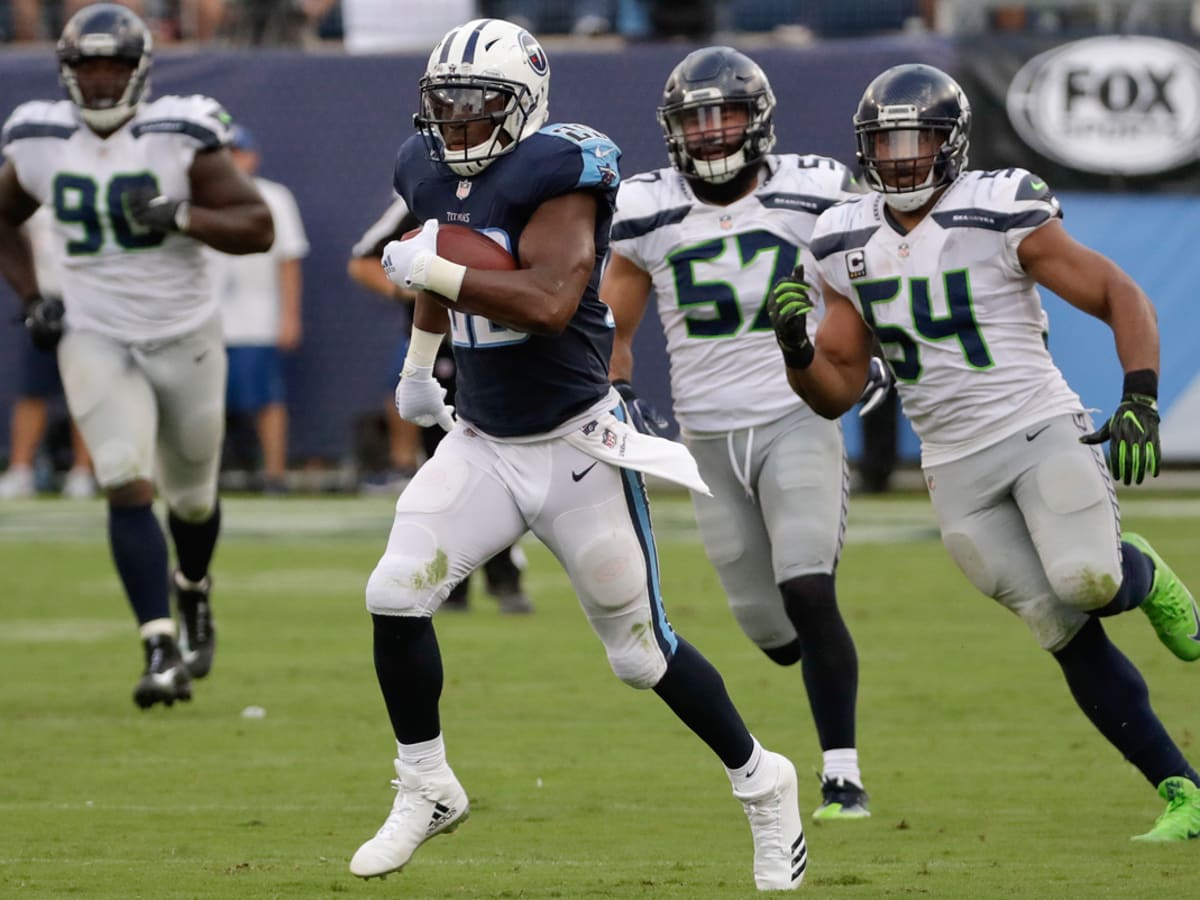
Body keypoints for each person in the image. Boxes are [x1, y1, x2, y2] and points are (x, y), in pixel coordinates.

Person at [347, 19, 806, 890]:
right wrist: (417, 364)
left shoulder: (563, 171)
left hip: (575, 445)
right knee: (394, 592)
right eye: (446, 106)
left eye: (480, 108)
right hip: (482, 438)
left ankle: (761, 780)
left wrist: (428, 275)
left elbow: (550, 301)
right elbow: (444, 250)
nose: (459, 124)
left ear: (525, 108)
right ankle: (425, 784)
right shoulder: (424, 165)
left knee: (640, 653)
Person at [769, 62, 1200, 840]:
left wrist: (1139, 394)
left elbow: (1118, 294)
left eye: (917, 140)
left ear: (952, 143)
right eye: (886, 143)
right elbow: (836, 391)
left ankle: (1142, 572)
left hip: (1035, 426)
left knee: (1090, 579)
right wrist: (797, 350)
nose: (900, 159)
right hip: (952, 462)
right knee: (1057, 627)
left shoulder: (1000, 208)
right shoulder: (839, 237)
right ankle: (1184, 791)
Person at [601, 46, 885, 820]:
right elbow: (612, 323)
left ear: (758, 119)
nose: (712, 129)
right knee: (768, 627)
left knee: (807, 584)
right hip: (706, 438)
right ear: (672, 129)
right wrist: (618, 392)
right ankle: (808, 659)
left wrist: (869, 347)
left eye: (725, 112)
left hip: (796, 414)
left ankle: (842, 774)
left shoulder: (815, 189)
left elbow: (867, 269)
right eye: (695, 117)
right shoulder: (647, 205)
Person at [0, 3, 273, 708]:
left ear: (138, 72)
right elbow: (4, 218)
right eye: (85, 66)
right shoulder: (36, 138)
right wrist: (33, 297)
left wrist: (181, 215)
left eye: (111, 66)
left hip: (183, 332)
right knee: (124, 479)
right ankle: (158, 646)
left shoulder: (177, 135)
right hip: (94, 330)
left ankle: (192, 588)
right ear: (64, 72)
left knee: (191, 497)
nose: (97, 80)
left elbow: (258, 226)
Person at [348, 195, 534, 614]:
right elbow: (363, 262)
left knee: (508, 463)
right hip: (443, 351)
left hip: (504, 347)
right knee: (444, 467)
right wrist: (420, 290)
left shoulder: (521, 190)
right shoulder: (423, 194)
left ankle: (505, 574)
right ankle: (457, 583)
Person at [208, 123, 308, 494]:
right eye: (225, 153)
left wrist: (289, 316)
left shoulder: (274, 198)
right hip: (207, 320)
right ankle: (202, 475)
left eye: (238, 152)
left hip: (257, 317)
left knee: (266, 399)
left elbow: (289, 260)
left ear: (252, 156)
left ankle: (274, 474)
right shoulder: (199, 197)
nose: (233, 161)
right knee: (202, 402)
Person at [0, 207, 96, 500]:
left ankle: (83, 472)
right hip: (43, 296)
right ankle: (20, 469)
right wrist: (31, 296)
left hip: (88, 298)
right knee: (33, 389)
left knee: (87, 388)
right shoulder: (31, 186)